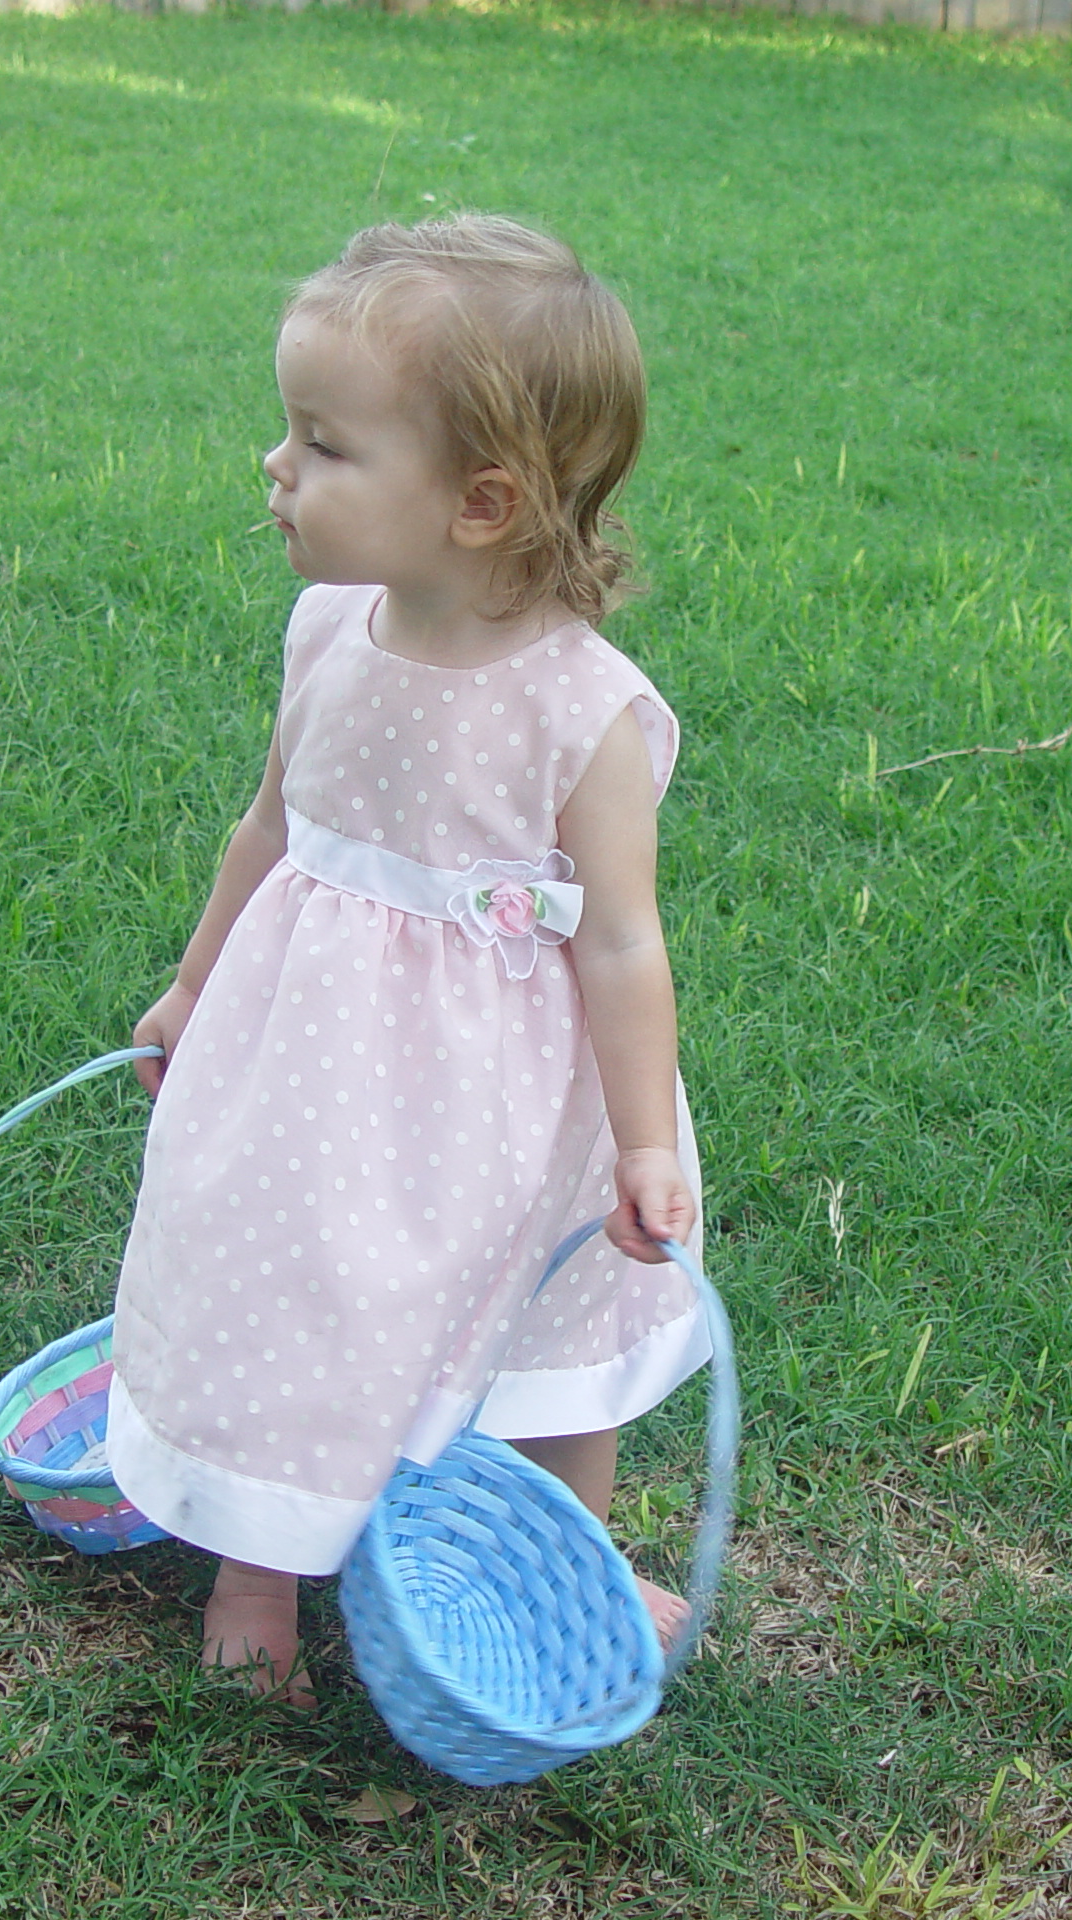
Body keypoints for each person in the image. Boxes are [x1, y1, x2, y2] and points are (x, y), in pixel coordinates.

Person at [106, 214, 708, 1705]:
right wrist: (192, 982)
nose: (276, 466)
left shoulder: (585, 712)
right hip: (316, 1066)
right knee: (298, 1290)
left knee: (558, 1315)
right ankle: (261, 1569)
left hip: (510, 1096)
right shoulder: (326, 637)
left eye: (324, 442)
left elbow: (624, 941)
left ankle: (559, 1542)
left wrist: (644, 1142)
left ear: (481, 502)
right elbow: (268, 828)